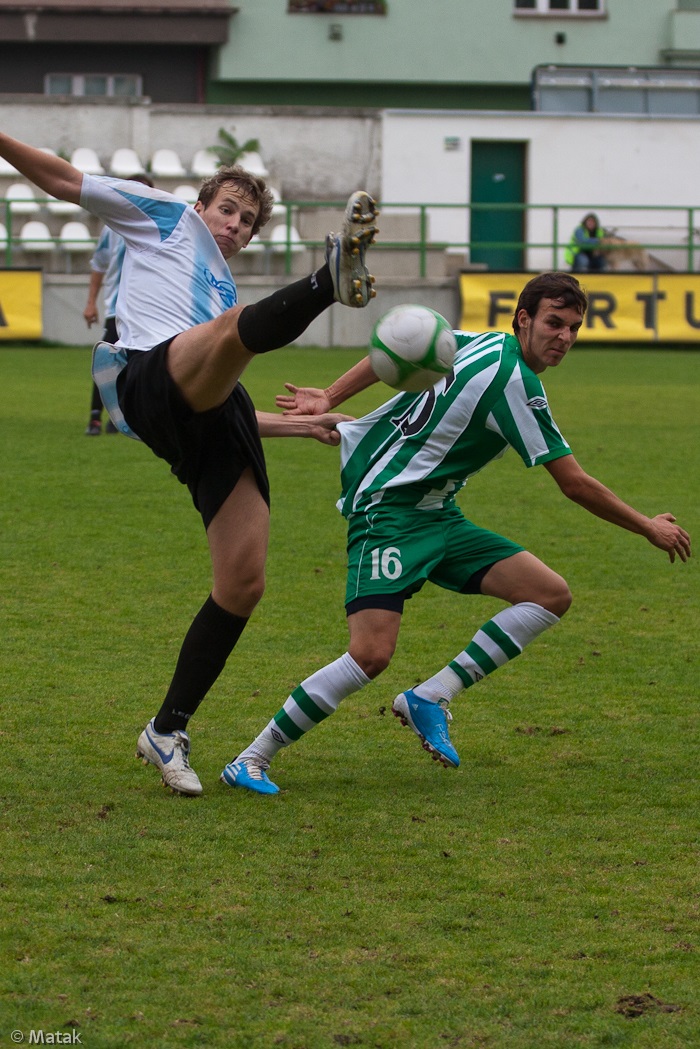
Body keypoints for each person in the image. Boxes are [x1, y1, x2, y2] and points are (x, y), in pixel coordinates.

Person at [0, 129, 379, 797]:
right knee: (233, 336)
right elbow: (62, 179)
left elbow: (221, 400)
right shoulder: (166, 216)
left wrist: (304, 424)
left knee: (244, 582)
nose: (235, 224)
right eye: (227, 208)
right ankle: (329, 280)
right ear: (202, 205)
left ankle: (166, 730)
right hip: (146, 376)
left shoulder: (221, 292)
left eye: (248, 220)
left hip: (205, 410)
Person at [222, 271, 691, 795]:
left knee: (548, 594)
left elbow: (401, 344)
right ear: (524, 319)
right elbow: (574, 483)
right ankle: (251, 757)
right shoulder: (516, 382)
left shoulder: (477, 340)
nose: (564, 337)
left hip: (437, 512)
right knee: (371, 653)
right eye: (554, 323)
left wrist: (329, 394)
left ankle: (429, 696)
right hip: (389, 510)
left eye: (573, 328)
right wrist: (647, 526)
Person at [83, 173, 154, 436]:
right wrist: (91, 302)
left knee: (142, 364)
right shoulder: (111, 227)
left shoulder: (158, 227)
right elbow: (99, 264)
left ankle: (123, 418)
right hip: (117, 308)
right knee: (107, 361)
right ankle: (95, 417)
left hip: (147, 309)